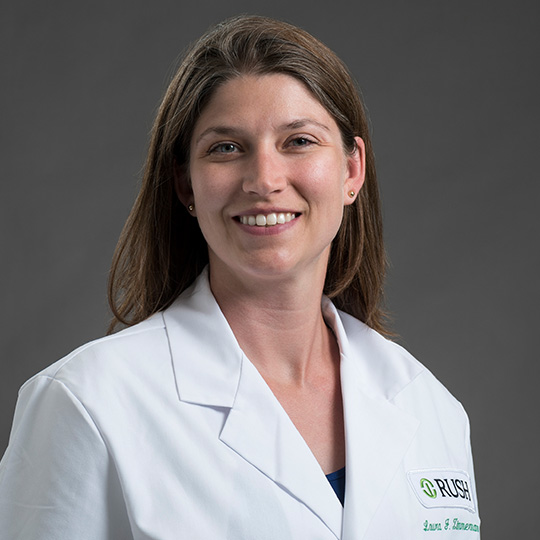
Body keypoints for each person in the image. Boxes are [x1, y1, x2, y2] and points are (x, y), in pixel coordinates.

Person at [0, 14, 480, 539]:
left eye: (298, 141)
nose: (265, 180)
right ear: (185, 184)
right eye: (226, 148)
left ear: (351, 171)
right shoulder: (86, 403)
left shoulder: (429, 408)